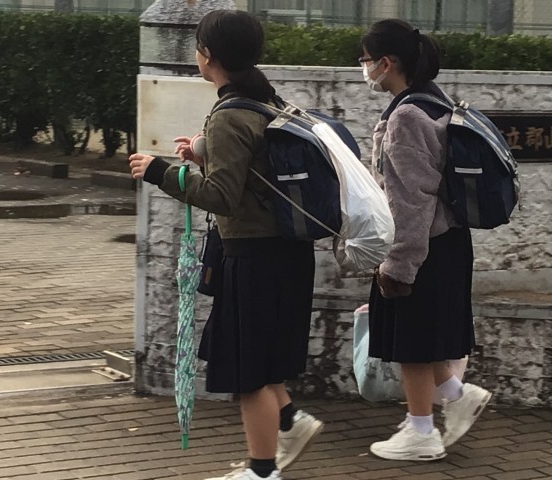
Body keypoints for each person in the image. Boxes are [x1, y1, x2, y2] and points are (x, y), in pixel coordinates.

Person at [128, 10, 323, 480]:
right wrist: (203, 157)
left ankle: (262, 470)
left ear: (207, 55)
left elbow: (222, 197)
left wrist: (161, 172)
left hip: (254, 257)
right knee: (263, 358)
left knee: (247, 372)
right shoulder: (268, 102)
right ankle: (290, 420)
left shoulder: (230, 114)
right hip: (288, 253)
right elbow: (255, 176)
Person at [360, 19, 492, 461]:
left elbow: (410, 201)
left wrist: (399, 265)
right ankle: (456, 394)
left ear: (386, 63)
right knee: (427, 335)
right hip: (448, 241)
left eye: (365, 59)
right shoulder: (436, 102)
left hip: (422, 245)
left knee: (412, 343)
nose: (363, 68)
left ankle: (421, 434)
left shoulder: (407, 116)